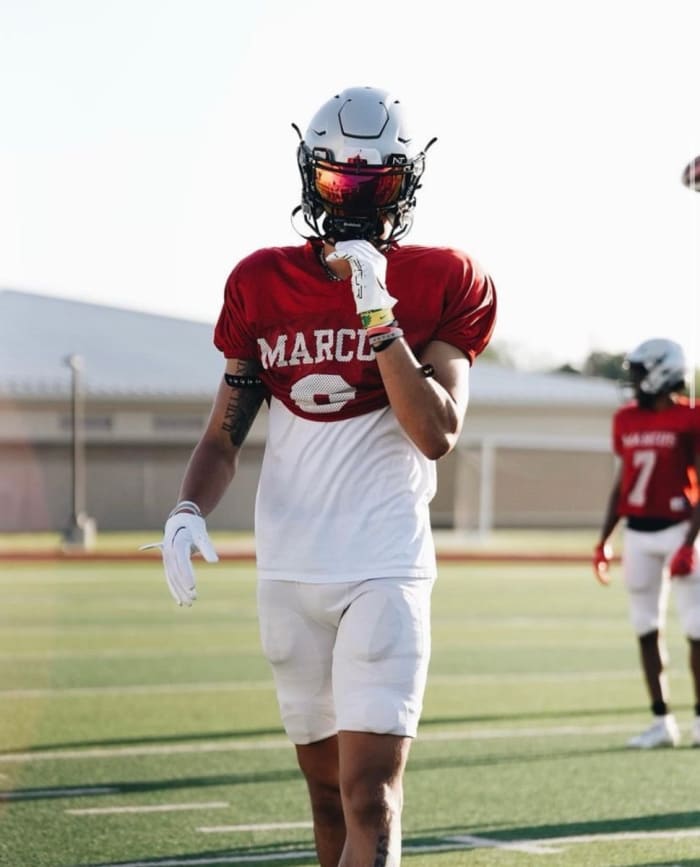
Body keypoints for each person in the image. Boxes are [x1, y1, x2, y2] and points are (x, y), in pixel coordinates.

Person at [146, 86, 496, 866]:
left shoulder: (443, 277)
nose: (355, 203)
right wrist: (187, 507)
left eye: (375, 186)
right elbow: (223, 434)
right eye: (341, 182)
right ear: (312, 177)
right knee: (327, 797)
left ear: (405, 186)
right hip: (290, 567)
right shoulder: (260, 282)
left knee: (372, 796)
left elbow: (436, 432)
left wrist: (379, 314)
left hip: (383, 566)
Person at [593, 338, 700, 749]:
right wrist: (604, 539)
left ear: (661, 371)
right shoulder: (626, 418)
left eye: (639, 371)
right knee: (645, 627)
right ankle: (661, 721)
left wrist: (689, 542)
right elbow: (622, 482)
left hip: (679, 529)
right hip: (637, 532)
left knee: (696, 628)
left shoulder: (690, 417)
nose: (634, 380)